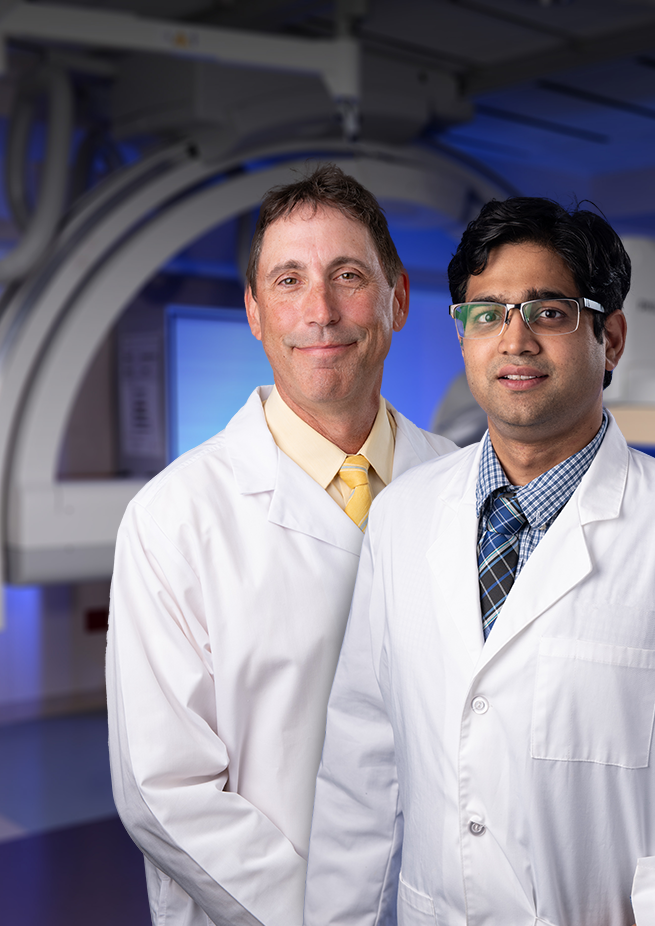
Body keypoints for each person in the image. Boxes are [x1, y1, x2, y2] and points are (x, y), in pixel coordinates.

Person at [303, 197, 655, 926]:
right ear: (463, 337)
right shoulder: (403, 518)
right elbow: (359, 766)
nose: (514, 340)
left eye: (549, 312)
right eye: (486, 313)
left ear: (610, 337)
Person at [107, 164, 455, 925]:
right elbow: (161, 791)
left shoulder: (466, 486)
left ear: (396, 299)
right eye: (289, 280)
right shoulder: (175, 518)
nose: (321, 311)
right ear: (256, 313)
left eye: (348, 276)